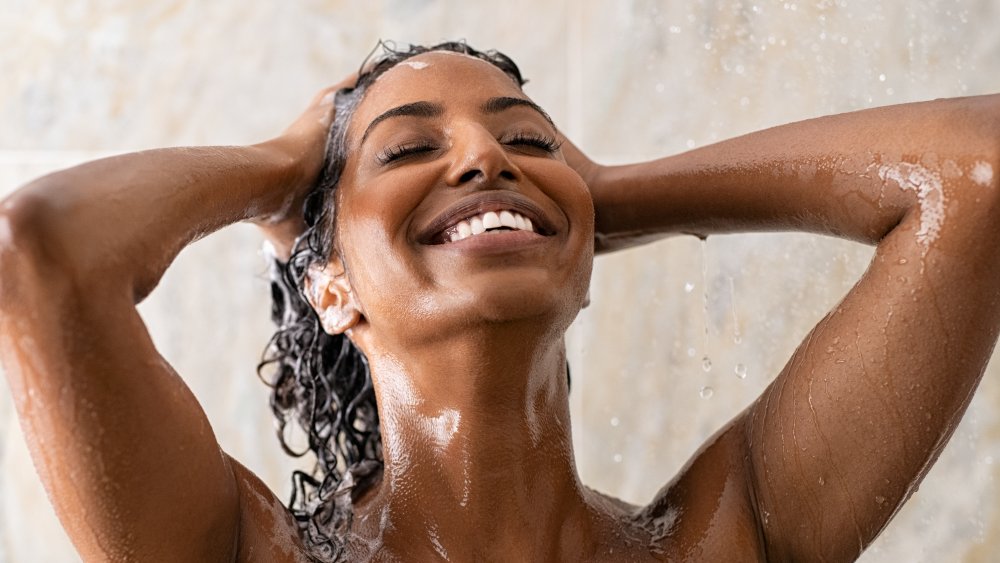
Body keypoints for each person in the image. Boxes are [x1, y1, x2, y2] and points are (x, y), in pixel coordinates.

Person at [0, 39, 998, 562]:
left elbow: (979, 170)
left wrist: (593, 195)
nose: (483, 156)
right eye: (408, 149)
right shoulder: (234, 552)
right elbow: (40, 253)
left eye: (524, 138)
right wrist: (280, 170)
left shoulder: (729, 537)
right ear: (329, 286)